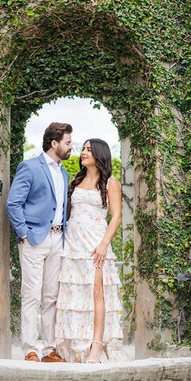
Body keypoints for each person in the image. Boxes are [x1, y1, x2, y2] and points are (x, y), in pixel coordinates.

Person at [6, 122, 73, 362]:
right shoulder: (30, 167)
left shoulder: (64, 172)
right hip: (34, 240)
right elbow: (14, 203)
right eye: (67, 142)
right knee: (32, 295)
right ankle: (29, 349)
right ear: (54, 143)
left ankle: (49, 349)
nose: (70, 147)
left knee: (51, 297)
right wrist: (24, 233)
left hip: (58, 240)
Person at [55, 138, 124, 363]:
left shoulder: (111, 183)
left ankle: (96, 346)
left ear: (99, 155)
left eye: (88, 150)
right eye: (83, 149)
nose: (83, 153)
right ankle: (75, 347)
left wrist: (104, 244)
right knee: (75, 295)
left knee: (97, 294)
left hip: (96, 244)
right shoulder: (76, 181)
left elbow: (116, 217)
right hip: (73, 245)